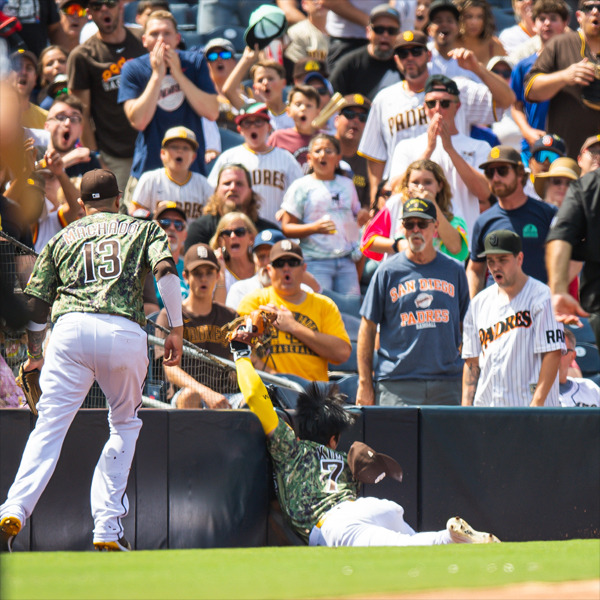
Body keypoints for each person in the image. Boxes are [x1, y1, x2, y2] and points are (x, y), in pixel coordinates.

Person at [0, 168, 183, 552]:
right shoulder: (142, 228)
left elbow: (35, 307)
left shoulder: (63, 236)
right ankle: (106, 527)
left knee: (49, 426)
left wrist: (36, 355)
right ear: (119, 199)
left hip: (69, 332)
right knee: (124, 425)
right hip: (124, 331)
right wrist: (177, 328)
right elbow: (165, 270)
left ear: (81, 205)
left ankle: (14, 507)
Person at [229, 329, 500, 546]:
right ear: (333, 439)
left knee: (407, 551)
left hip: (334, 524)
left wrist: (241, 354)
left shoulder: (291, 448)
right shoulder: (343, 462)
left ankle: (448, 537)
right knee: (412, 540)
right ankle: (447, 537)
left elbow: (255, 396)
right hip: (372, 507)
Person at [357, 29, 515, 205]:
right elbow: (376, 157)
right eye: (403, 53)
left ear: (429, 55)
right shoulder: (384, 99)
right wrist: (374, 202)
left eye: (416, 52)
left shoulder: (455, 89)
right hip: (408, 200)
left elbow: (507, 100)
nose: (409, 57)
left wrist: (477, 68)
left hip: (457, 195)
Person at [357, 198, 470, 407]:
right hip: (397, 384)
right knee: (394, 441)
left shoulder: (455, 270)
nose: (415, 230)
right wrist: (364, 382)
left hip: (446, 383)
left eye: (422, 223)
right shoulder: (387, 271)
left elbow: (467, 326)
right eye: (410, 224)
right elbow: (367, 327)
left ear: (435, 227)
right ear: (403, 228)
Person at [118, 10, 219, 200]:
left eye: (167, 33)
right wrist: (157, 75)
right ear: (144, 39)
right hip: (148, 167)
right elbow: (138, 121)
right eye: (155, 34)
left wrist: (178, 74)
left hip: (191, 169)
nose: (161, 39)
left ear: (177, 38)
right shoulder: (133, 68)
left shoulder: (195, 62)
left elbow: (212, 112)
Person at [462, 229, 564, 407]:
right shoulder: (479, 303)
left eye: (502, 260)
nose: (495, 267)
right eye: (490, 261)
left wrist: (537, 405)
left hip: (529, 409)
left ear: (519, 259)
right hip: (488, 410)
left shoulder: (542, 297)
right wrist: (465, 409)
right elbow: (472, 362)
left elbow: (552, 354)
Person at [388, 74, 491, 237]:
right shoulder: (406, 146)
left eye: (444, 103)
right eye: (431, 103)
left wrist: (449, 148)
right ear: (424, 107)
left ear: (457, 106)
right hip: (419, 241)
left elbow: (485, 193)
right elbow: (395, 189)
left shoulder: (479, 147)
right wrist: (429, 149)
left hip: (463, 240)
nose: (437, 108)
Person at [237, 239, 351, 382]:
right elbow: (239, 350)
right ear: (269, 270)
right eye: (279, 264)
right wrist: (277, 379)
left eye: (292, 263)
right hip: (269, 391)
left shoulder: (324, 305)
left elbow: (342, 353)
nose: (286, 268)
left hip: (315, 395)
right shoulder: (255, 302)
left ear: (303, 268)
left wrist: (293, 326)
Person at [67, 0, 147, 193]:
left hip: (150, 147)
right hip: (114, 155)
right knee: (118, 218)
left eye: (109, 3)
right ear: (89, 13)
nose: (104, 9)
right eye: (96, 6)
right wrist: (97, 158)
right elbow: (81, 113)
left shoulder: (143, 40)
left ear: (120, 6)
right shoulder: (83, 56)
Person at [466, 146, 557, 298]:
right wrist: (475, 308)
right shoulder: (484, 221)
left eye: (502, 170)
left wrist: (552, 298)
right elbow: (475, 269)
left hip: (541, 308)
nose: (495, 178)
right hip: (499, 313)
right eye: (489, 172)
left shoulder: (547, 213)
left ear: (520, 173)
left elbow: (564, 260)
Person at [280, 134, 362, 298]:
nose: (323, 155)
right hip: (315, 262)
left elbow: (352, 219)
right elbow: (287, 227)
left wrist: (356, 247)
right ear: (309, 158)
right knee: (320, 313)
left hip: (346, 261)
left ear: (338, 158)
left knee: (352, 310)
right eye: (318, 151)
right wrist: (314, 228)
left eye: (328, 151)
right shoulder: (300, 186)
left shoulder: (348, 184)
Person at [156, 243, 236, 409]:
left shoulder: (231, 317)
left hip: (227, 395)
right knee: (190, 396)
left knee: (255, 401)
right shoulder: (169, 315)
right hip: (186, 395)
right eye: (197, 273)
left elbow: (242, 364)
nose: (204, 279)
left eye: (209, 273)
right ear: (185, 276)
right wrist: (206, 393)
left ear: (218, 275)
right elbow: (171, 370)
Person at [524, 0, 600, 161]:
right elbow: (531, 90)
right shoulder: (561, 44)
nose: (595, 12)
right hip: (567, 157)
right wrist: (565, 76)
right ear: (578, 16)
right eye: (588, 8)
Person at [207, 103, 303, 224]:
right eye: (247, 123)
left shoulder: (286, 159)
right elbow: (211, 193)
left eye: (258, 122)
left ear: (269, 127)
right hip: (237, 232)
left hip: (276, 231)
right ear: (239, 130)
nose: (253, 127)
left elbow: (301, 194)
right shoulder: (228, 157)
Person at [361, 159, 469, 263]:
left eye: (428, 182)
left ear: (439, 186)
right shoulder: (396, 203)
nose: (421, 187)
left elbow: (456, 248)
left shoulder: (451, 208)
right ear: (407, 184)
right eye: (415, 182)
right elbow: (368, 241)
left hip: (437, 276)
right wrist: (397, 245)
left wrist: (433, 205)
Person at [509, 0, 570, 166]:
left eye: (553, 18)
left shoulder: (575, 64)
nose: (547, 23)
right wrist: (526, 131)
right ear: (534, 25)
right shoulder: (523, 66)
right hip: (534, 147)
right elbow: (515, 105)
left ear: (565, 23)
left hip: (570, 146)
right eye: (542, 18)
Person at [546, 168, 600, 349]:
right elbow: (561, 236)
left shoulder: (590, 184)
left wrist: (558, 290)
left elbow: (560, 236)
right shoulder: (589, 184)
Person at [185, 163, 279, 249]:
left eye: (239, 184)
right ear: (216, 190)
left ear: (250, 192)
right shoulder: (199, 230)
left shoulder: (267, 232)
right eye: (227, 183)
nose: (233, 188)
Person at [131, 126, 213, 223]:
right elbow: (134, 213)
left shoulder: (203, 184)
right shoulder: (150, 179)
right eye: (174, 147)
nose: (180, 151)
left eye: (186, 148)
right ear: (162, 153)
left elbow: (212, 218)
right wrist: (155, 214)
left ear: (193, 156)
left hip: (192, 237)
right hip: (156, 236)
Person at [328, 4, 402, 100]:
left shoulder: (404, 63)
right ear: (368, 31)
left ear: (399, 34)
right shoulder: (349, 65)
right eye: (379, 30)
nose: (385, 35)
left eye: (391, 31)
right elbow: (332, 102)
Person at [223, 53, 293, 131]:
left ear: (283, 83)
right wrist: (246, 59)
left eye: (270, 79)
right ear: (255, 87)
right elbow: (229, 91)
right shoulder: (252, 110)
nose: (265, 82)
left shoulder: (295, 110)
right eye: (260, 80)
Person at [268, 85, 321, 170]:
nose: (303, 108)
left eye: (309, 105)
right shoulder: (278, 138)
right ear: (288, 111)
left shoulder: (325, 140)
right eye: (298, 104)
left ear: (318, 113)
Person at [334, 94, 372, 209]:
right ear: (336, 120)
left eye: (362, 117)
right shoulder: (321, 150)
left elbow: (368, 206)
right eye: (349, 115)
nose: (355, 120)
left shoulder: (371, 161)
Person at [209, 212, 257, 303]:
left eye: (240, 232)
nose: (233, 236)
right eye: (227, 233)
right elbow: (219, 309)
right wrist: (221, 274)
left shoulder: (261, 267)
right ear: (221, 241)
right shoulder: (216, 272)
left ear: (251, 238)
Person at [558, 329, 600, 407]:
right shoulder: (531, 391)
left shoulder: (590, 388)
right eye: (549, 352)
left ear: (572, 356)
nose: (555, 357)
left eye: (562, 352)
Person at [456, 0, 506, 65]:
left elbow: (504, 73)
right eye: (469, 16)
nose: (474, 22)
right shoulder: (449, 43)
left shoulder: (494, 45)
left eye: (480, 17)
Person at [9, 49, 48, 129]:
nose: (23, 72)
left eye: (29, 68)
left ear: (35, 79)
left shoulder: (46, 119)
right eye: (17, 67)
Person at [284, 0, 330, 65]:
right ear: (304, 4)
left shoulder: (342, 30)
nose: (320, 2)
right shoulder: (296, 32)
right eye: (314, 0)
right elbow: (297, 68)